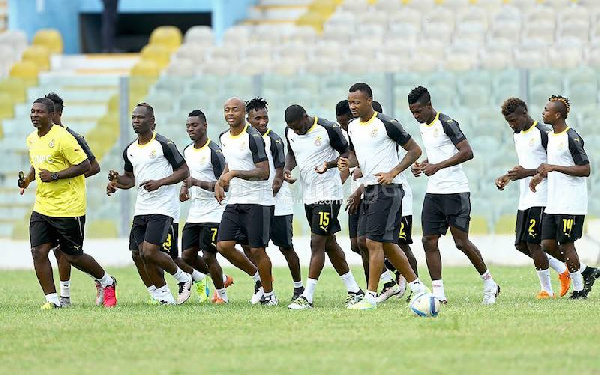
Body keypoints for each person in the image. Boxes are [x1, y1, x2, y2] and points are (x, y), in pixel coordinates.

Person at [20, 98, 117, 309]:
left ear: (51, 114)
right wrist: (28, 180)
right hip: (43, 206)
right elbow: (37, 167)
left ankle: (107, 281)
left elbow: (85, 165)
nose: (35, 115)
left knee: (72, 256)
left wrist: (55, 176)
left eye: (40, 112)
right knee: (38, 251)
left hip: (69, 207)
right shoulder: (31, 139)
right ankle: (53, 300)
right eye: (32, 111)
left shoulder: (64, 138)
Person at [407, 86, 500, 304]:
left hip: (455, 191)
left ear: (429, 105)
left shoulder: (447, 123)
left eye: (418, 111)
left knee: (461, 242)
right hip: (434, 192)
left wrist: (437, 166)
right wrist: (424, 165)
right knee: (428, 240)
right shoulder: (424, 126)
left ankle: (489, 282)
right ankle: (438, 293)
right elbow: (440, 154)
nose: (416, 116)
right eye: (412, 112)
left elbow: (467, 152)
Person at [338, 83, 427, 310]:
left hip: (388, 190)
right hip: (368, 189)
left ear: (369, 100)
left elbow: (415, 150)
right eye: (350, 102)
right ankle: (418, 287)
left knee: (373, 242)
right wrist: (348, 163)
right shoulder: (352, 127)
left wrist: (393, 172)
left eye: (357, 102)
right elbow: (356, 156)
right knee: (384, 243)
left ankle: (370, 296)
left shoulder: (387, 123)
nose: (353, 106)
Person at [106, 103, 192, 305]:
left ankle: (183, 277)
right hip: (142, 208)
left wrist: (160, 182)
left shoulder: (164, 144)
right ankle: (161, 295)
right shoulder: (130, 150)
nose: (136, 121)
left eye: (141, 118)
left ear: (152, 121)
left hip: (163, 207)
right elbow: (130, 179)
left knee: (150, 251)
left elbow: (184, 171)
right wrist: (116, 182)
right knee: (137, 254)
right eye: (134, 117)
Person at [284, 104, 364, 309]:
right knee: (329, 244)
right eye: (292, 128)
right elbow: (292, 153)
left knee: (316, 243)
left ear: (305, 116)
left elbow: (349, 155)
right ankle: (354, 290)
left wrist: (328, 165)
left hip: (329, 194)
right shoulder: (290, 132)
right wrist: (286, 168)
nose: (296, 131)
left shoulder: (328, 129)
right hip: (308, 196)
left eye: (298, 126)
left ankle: (306, 297)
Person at [495, 98, 571, 298]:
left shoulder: (543, 134)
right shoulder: (517, 134)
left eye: (514, 120)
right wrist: (508, 177)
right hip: (525, 197)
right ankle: (563, 269)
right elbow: (526, 164)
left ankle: (547, 290)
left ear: (524, 114)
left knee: (533, 243)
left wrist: (526, 173)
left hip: (543, 196)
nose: (512, 125)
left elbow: (552, 166)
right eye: (509, 122)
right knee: (520, 245)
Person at [530, 95, 600, 299]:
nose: (543, 112)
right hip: (554, 202)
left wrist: (554, 167)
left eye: (546, 110)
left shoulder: (572, 137)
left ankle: (579, 290)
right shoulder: (551, 136)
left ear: (557, 114)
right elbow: (550, 166)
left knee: (566, 245)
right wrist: (539, 176)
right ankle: (586, 271)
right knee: (547, 244)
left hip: (571, 202)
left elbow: (585, 169)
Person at [215, 97, 277, 306]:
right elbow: (229, 164)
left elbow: (264, 172)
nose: (230, 114)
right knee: (223, 245)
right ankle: (257, 277)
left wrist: (234, 174)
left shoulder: (253, 137)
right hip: (235, 201)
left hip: (258, 201)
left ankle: (269, 295)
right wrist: (220, 182)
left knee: (257, 250)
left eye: (235, 110)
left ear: (244, 114)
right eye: (227, 110)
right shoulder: (224, 137)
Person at [245, 98, 304, 300]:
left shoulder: (275, 140)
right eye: (257, 118)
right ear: (248, 119)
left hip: (277, 205)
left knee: (286, 248)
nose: (262, 122)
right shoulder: (242, 139)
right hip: (255, 203)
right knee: (252, 247)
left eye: (265, 118)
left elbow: (279, 173)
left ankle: (298, 287)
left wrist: (280, 179)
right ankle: (262, 285)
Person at [179, 110, 234, 304]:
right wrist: (185, 187)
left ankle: (222, 296)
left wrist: (195, 182)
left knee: (209, 255)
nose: (191, 129)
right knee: (186, 256)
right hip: (195, 212)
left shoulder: (214, 151)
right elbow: (188, 177)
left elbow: (224, 185)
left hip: (214, 211)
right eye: (188, 126)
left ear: (205, 126)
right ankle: (222, 278)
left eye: (194, 125)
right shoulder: (187, 150)